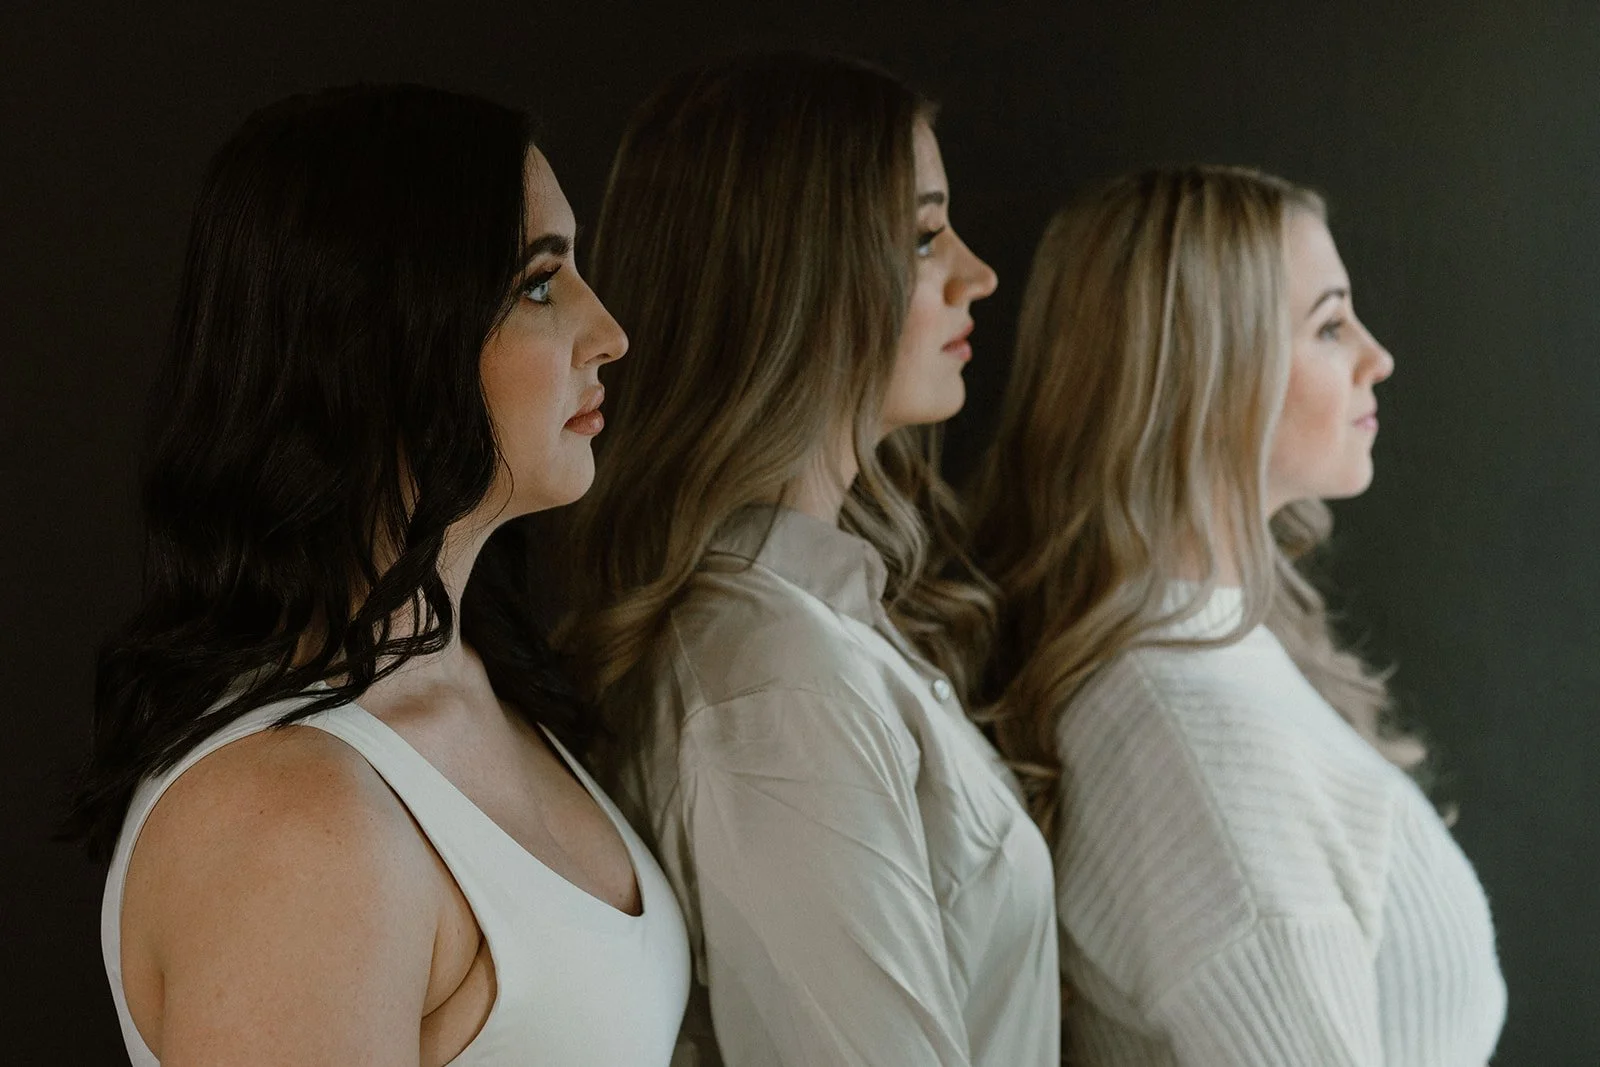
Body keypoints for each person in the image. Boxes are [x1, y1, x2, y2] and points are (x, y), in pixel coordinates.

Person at [68, 84, 689, 1065]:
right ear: (384, 337)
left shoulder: (481, 683)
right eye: (539, 282)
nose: (606, 330)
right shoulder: (290, 822)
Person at [557, 53, 1059, 1066]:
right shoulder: (776, 683)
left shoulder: (819, 623)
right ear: (794, 272)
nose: (979, 272)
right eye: (922, 237)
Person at [969, 165, 1505, 1065]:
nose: (1379, 356)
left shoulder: (1210, 649)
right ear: (1207, 376)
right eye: (1330, 325)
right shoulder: (1191, 735)